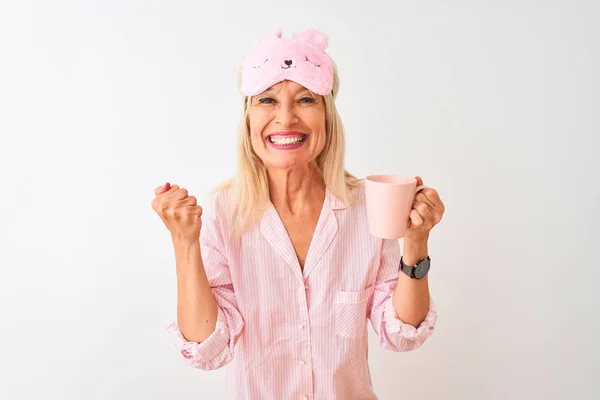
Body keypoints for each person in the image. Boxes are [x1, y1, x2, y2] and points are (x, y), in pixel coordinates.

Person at [151, 28, 445, 400]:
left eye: (305, 99)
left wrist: (416, 240)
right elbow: (207, 345)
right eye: (268, 100)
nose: (286, 118)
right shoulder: (224, 213)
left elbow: (402, 332)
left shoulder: (366, 208)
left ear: (327, 115)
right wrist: (184, 241)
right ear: (248, 118)